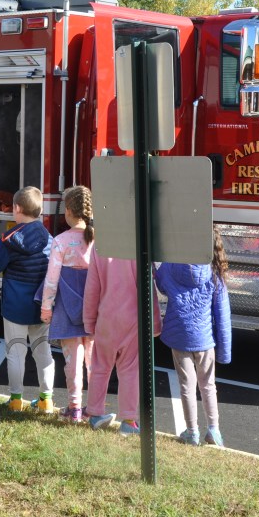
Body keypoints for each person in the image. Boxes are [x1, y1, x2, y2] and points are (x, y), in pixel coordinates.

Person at [155, 228, 232, 447]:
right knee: (208, 385)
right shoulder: (214, 274)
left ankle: (192, 432)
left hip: (179, 337)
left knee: (186, 386)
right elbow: (223, 316)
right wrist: (224, 352)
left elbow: (160, 284)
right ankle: (214, 431)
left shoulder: (171, 267)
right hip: (205, 339)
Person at [0, 186, 54, 414]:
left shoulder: (10, 238)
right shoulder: (49, 238)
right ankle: (46, 400)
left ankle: (15, 400)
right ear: (40, 210)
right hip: (41, 304)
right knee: (43, 350)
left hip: (15, 304)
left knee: (15, 351)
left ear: (17, 208)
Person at [83, 251, 161, 436]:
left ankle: (94, 413)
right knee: (130, 370)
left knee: (100, 366)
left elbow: (92, 288)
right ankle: (128, 421)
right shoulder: (138, 248)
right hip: (133, 321)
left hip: (106, 319)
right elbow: (148, 289)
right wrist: (155, 323)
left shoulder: (99, 247)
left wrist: (89, 320)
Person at [39, 185, 94, 424]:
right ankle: (95, 406)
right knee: (95, 362)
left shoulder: (60, 241)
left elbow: (51, 279)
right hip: (94, 309)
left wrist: (46, 308)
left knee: (72, 363)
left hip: (68, 308)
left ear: (69, 211)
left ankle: (75, 408)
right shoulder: (97, 240)